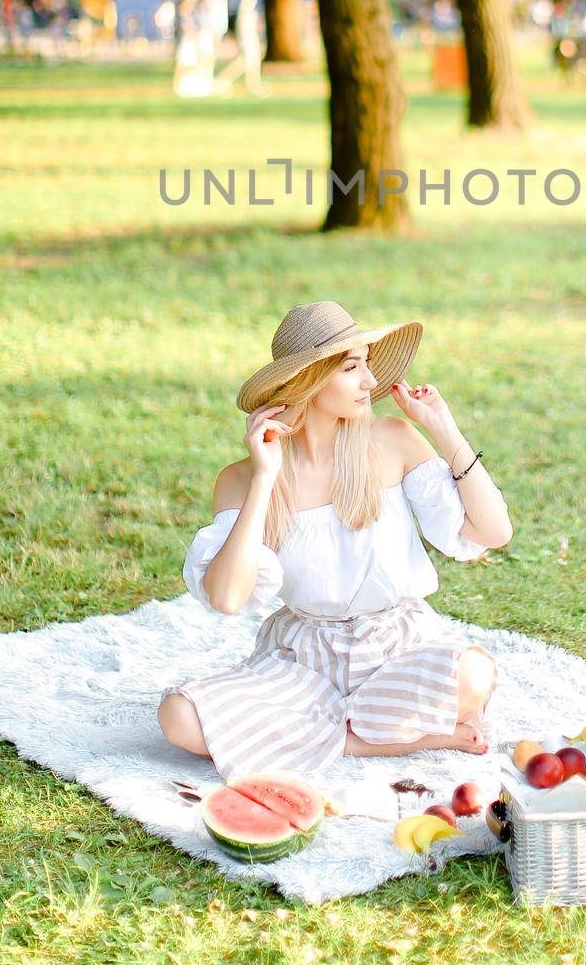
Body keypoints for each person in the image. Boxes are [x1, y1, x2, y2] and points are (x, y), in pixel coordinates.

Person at [157, 300, 512, 784]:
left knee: (473, 677)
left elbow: (492, 532)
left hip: (398, 642)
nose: (370, 381)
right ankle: (373, 737)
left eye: (367, 363)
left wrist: (442, 427)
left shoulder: (392, 440)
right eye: (352, 367)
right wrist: (265, 478)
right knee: (179, 718)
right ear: (310, 380)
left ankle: (319, 733)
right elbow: (226, 597)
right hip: (305, 658)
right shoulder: (241, 479)